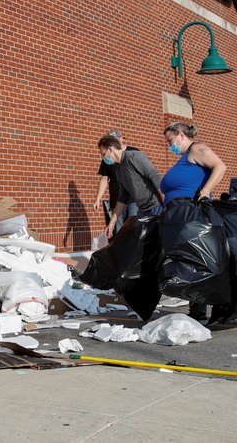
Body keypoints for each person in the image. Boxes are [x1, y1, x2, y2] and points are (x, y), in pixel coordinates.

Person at [160, 122, 228, 325]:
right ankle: (197, 309)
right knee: (189, 263)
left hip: (194, 216)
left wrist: (205, 191)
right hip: (179, 217)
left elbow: (220, 166)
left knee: (197, 262)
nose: (168, 145)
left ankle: (209, 309)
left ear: (181, 135)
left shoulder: (196, 149)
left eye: (170, 140)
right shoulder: (183, 158)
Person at [97, 134, 163, 240]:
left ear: (111, 149)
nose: (103, 158)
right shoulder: (119, 171)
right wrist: (112, 223)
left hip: (156, 206)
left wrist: (167, 205)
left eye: (104, 154)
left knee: (158, 241)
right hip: (143, 210)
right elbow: (123, 197)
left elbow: (156, 178)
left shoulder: (133, 157)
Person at [92, 129, 139, 235]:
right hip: (117, 199)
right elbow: (104, 179)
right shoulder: (107, 158)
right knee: (119, 231)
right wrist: (98, 199)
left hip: (134, 199)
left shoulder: (133, 153)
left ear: (122, 139)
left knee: (133, 228)